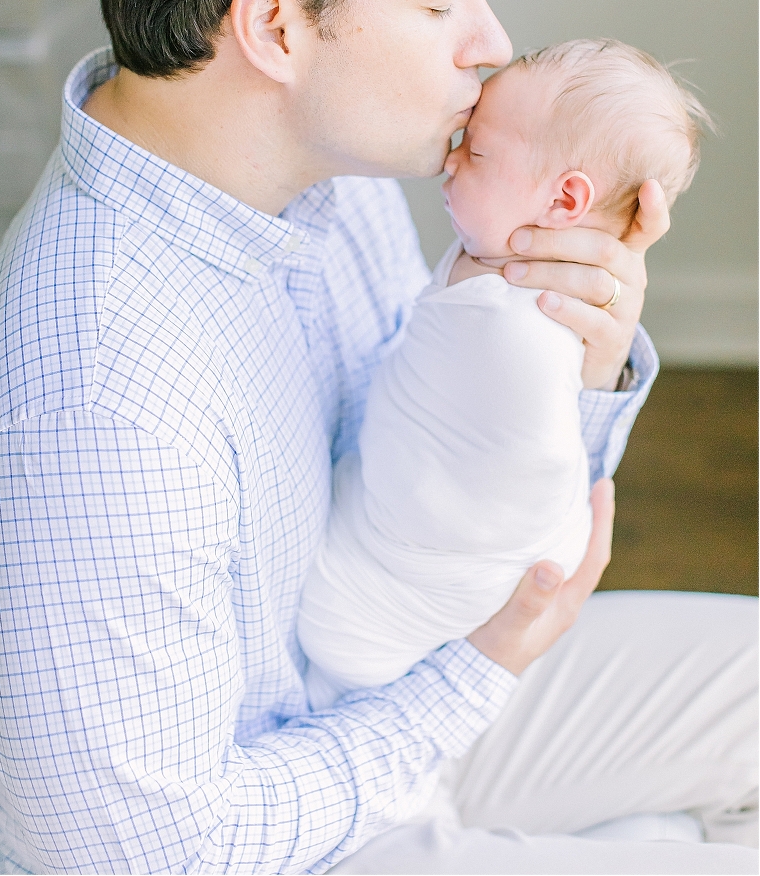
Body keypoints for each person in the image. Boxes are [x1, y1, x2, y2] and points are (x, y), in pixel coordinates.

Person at [0, 0, 755, 876]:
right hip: (281, 823)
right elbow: (144, 851)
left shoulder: (320, 162)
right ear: (275, 28)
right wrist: (481, 671)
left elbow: (424, 470)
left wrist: (577, 361)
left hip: (400, 680)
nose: (491, 41)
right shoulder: (101, 392)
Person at [297, 39, 714, 704]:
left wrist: (600, 370)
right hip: (384, 565)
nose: (451, 159)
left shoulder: (526, 327)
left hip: (422, 588)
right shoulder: (483, 266)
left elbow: (541, 471)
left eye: (478, 151)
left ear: (565, 199)